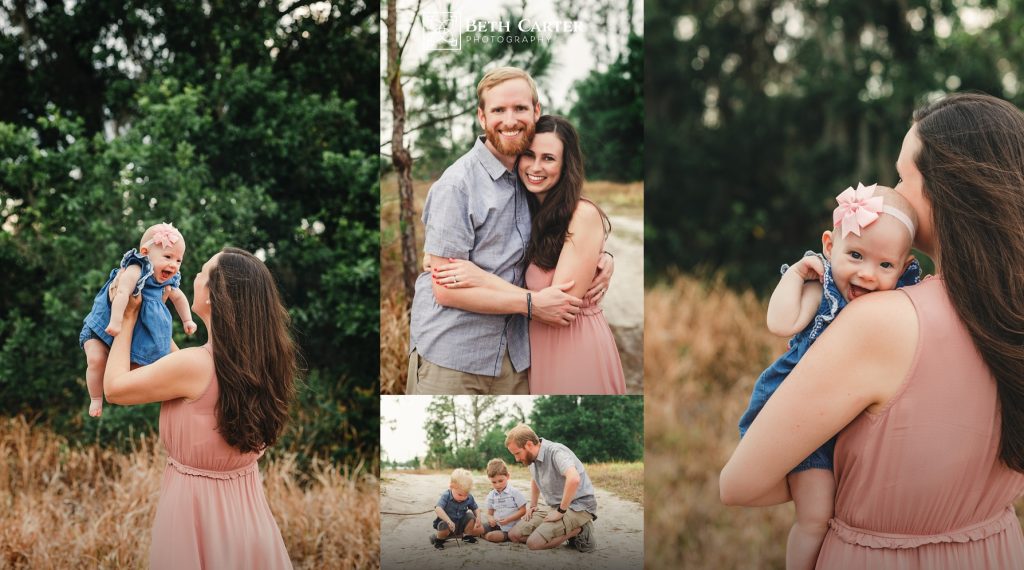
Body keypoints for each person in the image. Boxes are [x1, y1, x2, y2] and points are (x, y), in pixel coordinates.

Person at [721, 92, 1024, 569]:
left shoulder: (883, 321)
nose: (895, 191)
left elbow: (739, 483)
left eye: (904, 177)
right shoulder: (1009, 314)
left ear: (946, 190)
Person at [735, 184, 920, 570]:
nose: (867, 274)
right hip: (802, 417)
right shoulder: (823, 289)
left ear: (903, 268)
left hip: (855, 418)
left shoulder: (904, 297)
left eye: (885, 265)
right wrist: (797, 276)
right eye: (855, 255)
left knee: (848, 511)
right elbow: (780, 323)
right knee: (816, 516)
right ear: (829, 245)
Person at [407, 67, 613, 395]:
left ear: (536, 111)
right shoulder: (457, 185)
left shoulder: (527, 178)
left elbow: (562, 231)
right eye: (498, 110)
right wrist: (531, 303)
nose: (510, 119)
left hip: (517, 359)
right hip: (456, 357)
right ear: (481, 117)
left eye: (519, 108)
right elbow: (446, 289)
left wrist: (602, 258)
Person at [103, 247, 294, 569]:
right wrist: (156, 316)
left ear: (215, 296)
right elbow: (168, 364)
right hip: (248, 516)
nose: (192, 277)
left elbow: (114, 389)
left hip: (196, 513)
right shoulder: (262, 362)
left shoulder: (196, 365)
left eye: (202, 273)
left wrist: (127, 316)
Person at [80, 222, 196, 417]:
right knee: (96, 359)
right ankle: (95, 398)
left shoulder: (167, 281)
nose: (173, 265)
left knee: (139, 370)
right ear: (145, 252)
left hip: (131, 337)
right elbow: (122, 292)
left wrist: (187, 320)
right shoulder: (136, 268)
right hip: (104, 327)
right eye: (168, 257)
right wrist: (117, 320)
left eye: (178, 260)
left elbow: (179, 298)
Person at [505, 424, 597, 552]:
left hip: (579, 506)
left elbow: (574, 478)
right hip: (556, 507)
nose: (516, 459)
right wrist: (533, 505)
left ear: (529, 445)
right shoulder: (532, 458)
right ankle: (559, 528)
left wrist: (560, 511)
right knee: (514, 535)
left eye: (517, 453)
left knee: (534, 544)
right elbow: (535, 479)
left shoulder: (556, 452)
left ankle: (580, 529)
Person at [430, 468, 484, 549]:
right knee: (443, 525)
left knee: (470, 516)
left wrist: (478, 517)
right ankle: (439, 540)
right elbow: (438, 509)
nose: (463, 498)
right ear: (451, 486)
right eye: (460, 495)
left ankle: (467, 536)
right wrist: (448, 520)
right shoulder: (446, 496)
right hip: (447, 525)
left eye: (466, 495)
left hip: (461, 524)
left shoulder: (469, 497)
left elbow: (475, 508)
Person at [481, 458, 528, 543]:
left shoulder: (514, 492)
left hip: (509, 528)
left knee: (491, 536)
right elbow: (489, 513)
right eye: (494, 482)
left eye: (500, 481)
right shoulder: (491, 495)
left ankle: (486, 536)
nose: (498, 485)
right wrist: (490, 518)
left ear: (507, 476)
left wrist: (508, 519)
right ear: (489, 479)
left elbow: (523, 510)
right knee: (477, 529)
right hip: (495, 525)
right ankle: (481, 534)